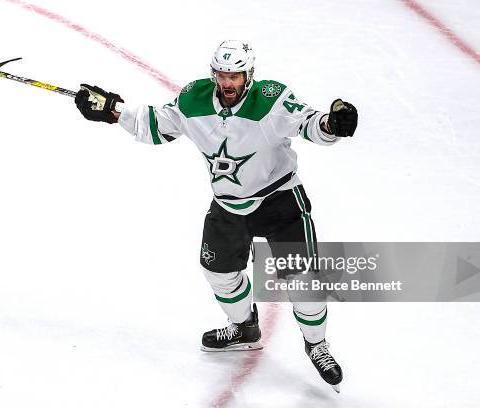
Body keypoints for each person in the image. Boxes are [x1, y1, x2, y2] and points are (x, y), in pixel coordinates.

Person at [74, 40, 358, 392]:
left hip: (280, 201)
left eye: (235, 75)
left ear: (248, 75)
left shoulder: (271, 100)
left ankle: (317, 345)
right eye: (222, 74)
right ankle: (244, 328)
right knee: (218, 271)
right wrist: (112, 110)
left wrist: (333, 124)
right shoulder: (193, 99)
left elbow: (310, 123)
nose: (228, 83)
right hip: (228, 204)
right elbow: (156, 125)